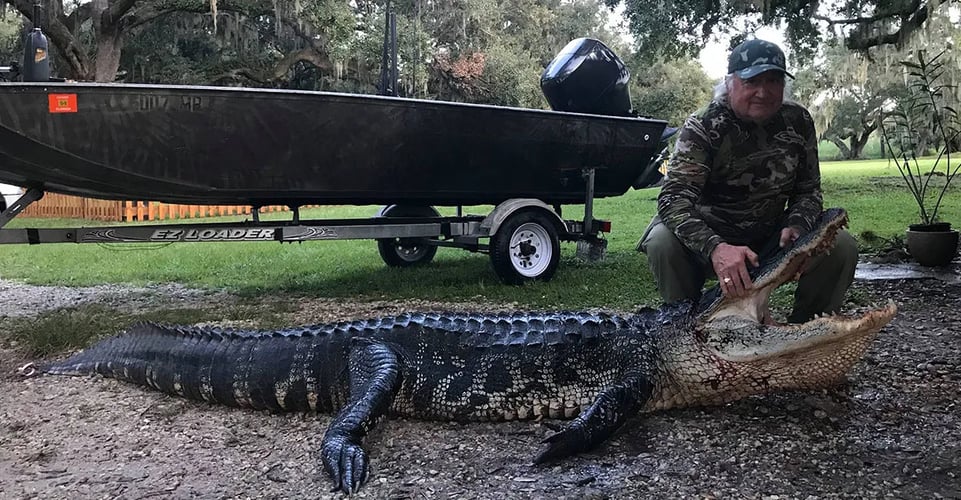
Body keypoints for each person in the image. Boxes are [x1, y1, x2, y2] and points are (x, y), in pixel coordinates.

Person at [638, 38, 858, 323]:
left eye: (773, 80)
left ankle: (806, 334)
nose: (763, 92)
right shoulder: (703, 125)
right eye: (752, 81)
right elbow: (672, 201)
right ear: (730, 83)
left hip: (768, 236)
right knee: (661, 241)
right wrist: (717, 247)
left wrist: (798, 225)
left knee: (840, 245)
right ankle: (687, 331)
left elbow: (808, 191)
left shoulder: (798, 120)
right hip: (707, 236)